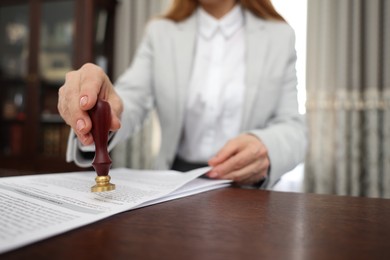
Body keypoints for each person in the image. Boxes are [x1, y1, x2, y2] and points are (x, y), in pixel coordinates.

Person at [58, 0, 306, 189]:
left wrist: (266, 147)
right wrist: (101, 110)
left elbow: (293, 127)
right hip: (176, 186)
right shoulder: (161, 32)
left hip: (247, 188)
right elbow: (130, 99)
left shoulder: (279, 36)